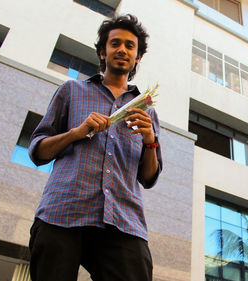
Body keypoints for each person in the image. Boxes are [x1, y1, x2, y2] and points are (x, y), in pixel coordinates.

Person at [28, 14, 162, 281]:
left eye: (129, 45)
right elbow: (38, 151)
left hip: (124, 222)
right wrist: (77, 132)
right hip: (62, 213)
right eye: (115, 44)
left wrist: (150, 141)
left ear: (137, 57)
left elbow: (148, 178)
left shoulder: (146, 110)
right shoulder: (71, 91)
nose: (122, 49)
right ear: (103, 51)